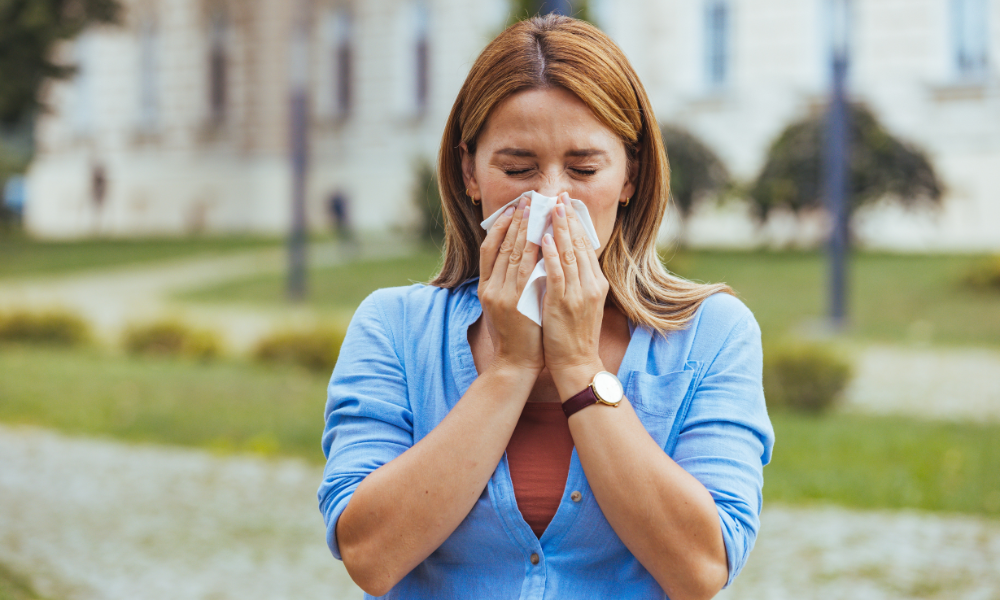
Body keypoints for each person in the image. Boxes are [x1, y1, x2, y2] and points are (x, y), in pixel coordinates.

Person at [319, 14, 774, 600]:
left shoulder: (711, 333)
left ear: (630, 174)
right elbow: (370, 556)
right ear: (470, 173)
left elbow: (700, 569)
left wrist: (580, 364)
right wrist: (508, 369)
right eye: (517, 169)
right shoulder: (394, 327)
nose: (552, 198)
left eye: (584, 169)